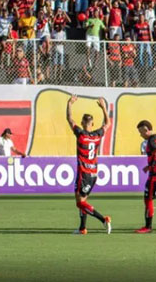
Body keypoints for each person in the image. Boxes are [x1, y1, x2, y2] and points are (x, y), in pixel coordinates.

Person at [66, 96, 111, 235]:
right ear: (92, 124)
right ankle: (82, 228)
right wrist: (103, 107)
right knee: (83, 200)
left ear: (82, 123)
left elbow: (69, 119)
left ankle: (103, 219)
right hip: (94, 173)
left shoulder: (80, 134)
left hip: (83, 173)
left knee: (80, 203)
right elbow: (108, 124)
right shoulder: (97, 135)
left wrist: (69, 104)